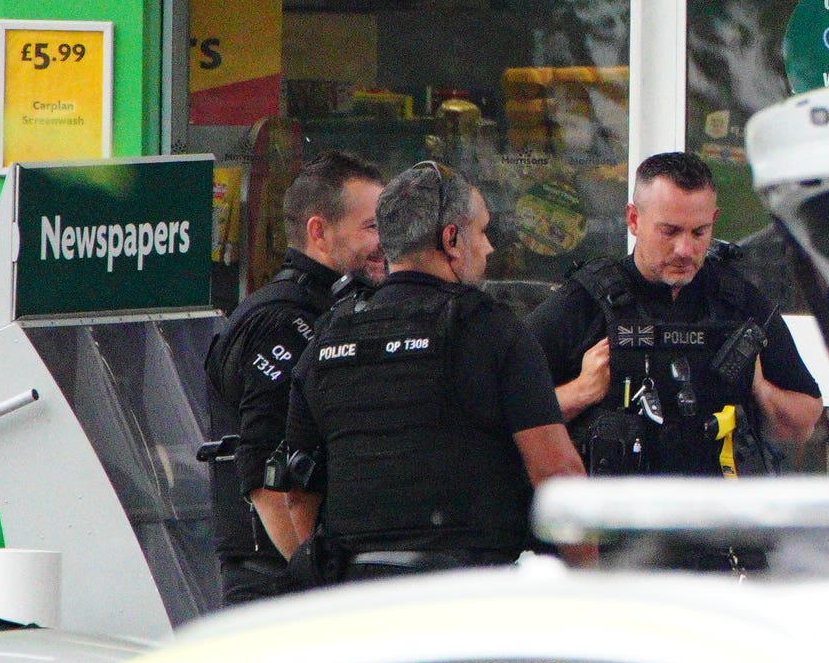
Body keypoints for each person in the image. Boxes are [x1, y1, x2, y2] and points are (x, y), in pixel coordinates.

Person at [261, 162, 582, 582]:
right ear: (451, 239)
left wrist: (329, 579)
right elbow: (557, 472)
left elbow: (299, 493)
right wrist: (587, 582)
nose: (488, 249)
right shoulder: (492, 330)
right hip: (468, 598)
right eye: (482, 232)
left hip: (360, 599)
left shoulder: (327, 337)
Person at [531, 150, 825, 476]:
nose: (685, 250)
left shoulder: (737, 303)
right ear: (633, 220)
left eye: (699, 232)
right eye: (669, 231)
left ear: (713, 220)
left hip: (716, 518)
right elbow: (505, 413)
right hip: (618, 519)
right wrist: (581, 392)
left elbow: (803, 424)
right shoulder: (585, 301)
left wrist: (758, 386)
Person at [201, 150, 383, 605]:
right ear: (318, 231)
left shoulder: (334, 309)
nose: (386, 242)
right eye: (372, 227)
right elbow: (265, 480)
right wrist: (320, 588)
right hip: (277, 583)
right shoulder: (283, 321)